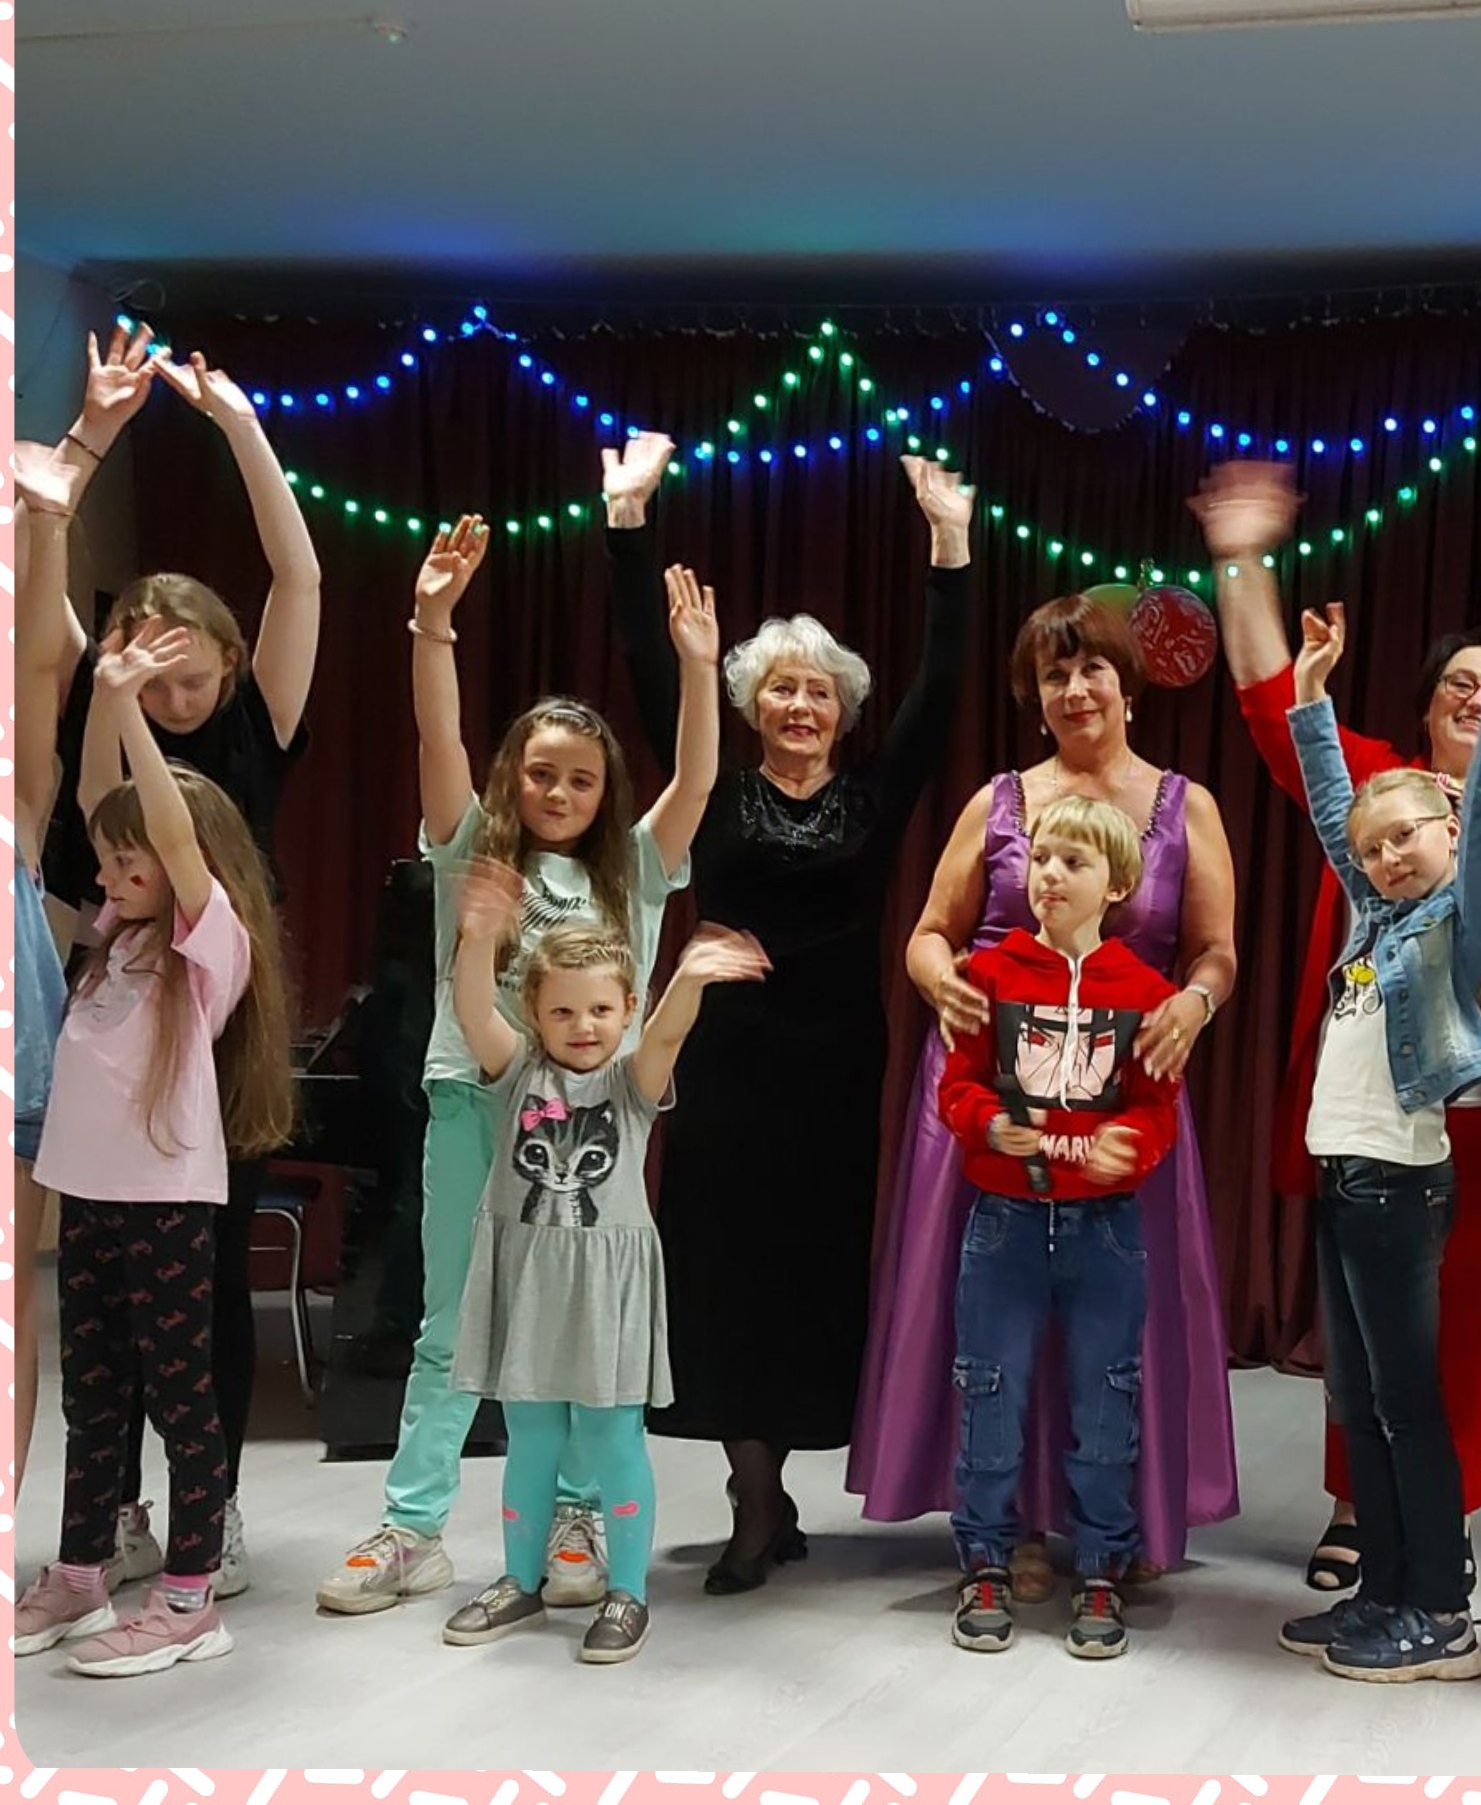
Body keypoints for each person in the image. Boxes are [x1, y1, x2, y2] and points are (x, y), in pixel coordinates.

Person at [1195, 458, 1481, 1596]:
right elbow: (1272, 700)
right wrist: (1242, 557)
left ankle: (1444, 1516)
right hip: (1372, 1106)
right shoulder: (1379, 791)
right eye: (1454, 686)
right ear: (1423, 713)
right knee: (1364, 1313)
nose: (1473, 697)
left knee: (1470, 1313)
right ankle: (1356, 1503)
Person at [316, 521, 718, 1616]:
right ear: (514, 777)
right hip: (473, 1101)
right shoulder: (471, 848)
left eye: (581, 778)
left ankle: (577, 1516)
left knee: (579, 1327)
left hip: (592, 1129)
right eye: (541, 772)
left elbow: (697, 777)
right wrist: (432, 625)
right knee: (451, 1322)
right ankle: (412, 1528)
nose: (560, 790)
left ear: (604, 789)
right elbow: (436, 735)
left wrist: (696, 668)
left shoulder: (633, 865)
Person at [603, 438, 972, 1594]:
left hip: (835, 1066)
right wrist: (627, 524)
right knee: (723, 1270)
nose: (801, 704)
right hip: (727, 1062)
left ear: (844, 709)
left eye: (819, 690)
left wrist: (950, 546)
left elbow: (940, 688)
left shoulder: (875, 793)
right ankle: (753, 1496)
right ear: (749, 705)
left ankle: (777, 1483)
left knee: (810, 1274)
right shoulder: (710, 788)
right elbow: (647, 665)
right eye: (780, 688)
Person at [852, 593, 1238, 1591]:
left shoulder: (1184, 805)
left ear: (1128, 683)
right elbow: (930, 933)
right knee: (997, 1318)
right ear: (1034, 695)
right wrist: (939, 983)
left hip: (1122, 1091)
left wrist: (1194, 1004)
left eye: (1091, 668)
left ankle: (1118, 1523)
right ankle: (1013, 1524)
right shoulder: (1000, 802)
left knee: (1115, 1322)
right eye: (1053, 675)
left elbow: (1215, 952)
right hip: (993, 1087)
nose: (1074, 689)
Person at [33, 327, 321, 1601]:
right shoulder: (113, 720)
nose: (177, 701)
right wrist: (114, 690)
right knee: (108, 1297)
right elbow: (108, 806)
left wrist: (238, 426)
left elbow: (298, 573)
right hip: (121, 1017)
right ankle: (119, 1513)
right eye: (157, 686)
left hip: (224, 1017)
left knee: (204, 1284)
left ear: (228, 660)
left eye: (192, 681)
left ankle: (215, 1508)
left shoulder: (259, 716)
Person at [1274, 555, 1481, 1685]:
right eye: (1374, 844)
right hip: (1348, 1181)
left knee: (1406, 1404)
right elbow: (1333, 804)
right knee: (1362, 1401)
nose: (1387, 854)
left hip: (1399, 1187)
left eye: (1409, 837)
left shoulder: (1462, 917)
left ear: (1448, 833)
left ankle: (1439, 1613)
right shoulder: (1373, 917)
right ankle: (1383, 1591)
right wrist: (1311, 696)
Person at [11, 623, 294, 1676]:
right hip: (85, 1201)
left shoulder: (207, 948)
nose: (110, 870)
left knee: (181, 1403)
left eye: (129, 861)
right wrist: (104, 697)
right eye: (107, 858)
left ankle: (188, 1599)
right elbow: (101, 803)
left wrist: (130, 710)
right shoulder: (111, 940)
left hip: (165, 1204)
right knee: (93, 1397)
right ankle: (82, 1573)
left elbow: (170, 835)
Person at [439, 871, 770, 1664]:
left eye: (599, 1010)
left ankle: (627, 1593)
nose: (582, 1025)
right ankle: (520, 1581)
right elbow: (473, 1012)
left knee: (613, 1438)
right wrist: (478, 936)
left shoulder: (633, 1084)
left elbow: (667, 1037)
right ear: (535, 1014)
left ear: (625, 1010)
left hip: (606, 1288)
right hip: (530, 1279)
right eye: (562, 1011)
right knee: (531, 1438)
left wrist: (689, 980)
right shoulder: (517, 1072)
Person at [940, 797, 1181, 1661]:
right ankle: (985, 1559)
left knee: (1105, 1398)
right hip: (1003, 1223)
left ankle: (1103, 1564)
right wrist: (985, 1124)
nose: (1049, 876)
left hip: (1104, 1230)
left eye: (1073, 863)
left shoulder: (1145, 994)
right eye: (1040, 858)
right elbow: (957, 1085)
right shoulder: (989, 975)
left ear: (1118, 885)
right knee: (989, 1391)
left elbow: (1158, 1108)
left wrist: (1134, 1146)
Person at [12, 443, 86, 1490]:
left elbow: (39, 667)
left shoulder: (18, 813)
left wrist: (50, 520)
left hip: (18, 1093)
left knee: (12, 1307)